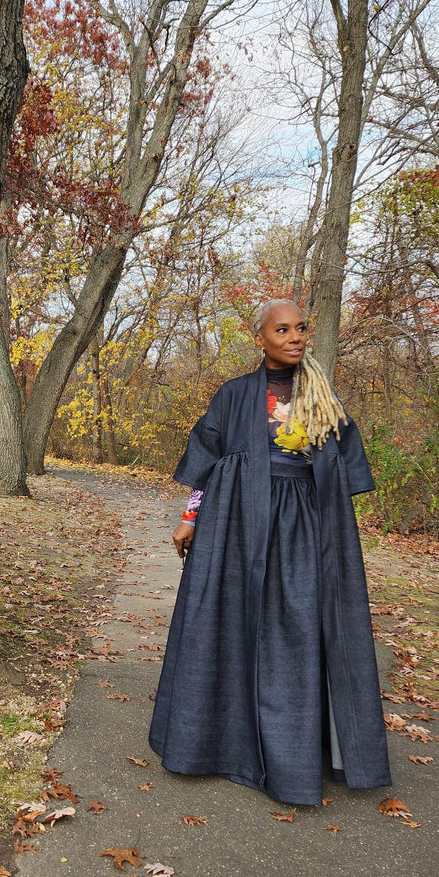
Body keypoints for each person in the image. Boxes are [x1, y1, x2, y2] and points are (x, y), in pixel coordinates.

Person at [148, 299, 391, 806]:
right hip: (236, 524)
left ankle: (294, 753)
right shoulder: (235, 395)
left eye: (301, 328)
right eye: (282, 329)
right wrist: (190, 517)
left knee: (298, 627)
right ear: (259, 338)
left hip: (303, 527)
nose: (295, 337)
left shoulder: (321, 396)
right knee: (229, 621)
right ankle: (217, 740)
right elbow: (206, 459)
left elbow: (343, 469)